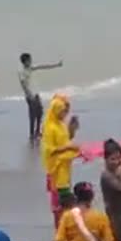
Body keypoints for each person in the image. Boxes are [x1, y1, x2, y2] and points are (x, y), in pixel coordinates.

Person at [40, 94, 80, 225]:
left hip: (65, 168)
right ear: (56, 111)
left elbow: (66, 138)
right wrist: (67, 147)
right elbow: (49, 150)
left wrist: (72, 129)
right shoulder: (49, 127)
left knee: (65, 200)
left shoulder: (60, 124)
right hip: (56, 170)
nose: (65, 113)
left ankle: (65, 228)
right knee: (60, 202)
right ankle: (60, 230)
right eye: (63, 111)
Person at [18, 52, 62, 140]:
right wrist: (29, 95)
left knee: (40, 113)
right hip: (30, 96)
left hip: (36, 94)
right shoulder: (21, 72)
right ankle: (31, 134)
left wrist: (56, 65)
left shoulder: (30, 68)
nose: (31, 61)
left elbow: (43, 66)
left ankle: (37, 131)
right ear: (25, 61)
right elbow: (23, 85)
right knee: (32, 115)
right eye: (29, 60)